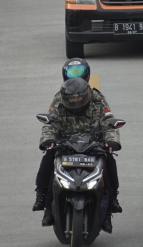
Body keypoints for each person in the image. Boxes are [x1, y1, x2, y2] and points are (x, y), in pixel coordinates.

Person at [33, 59, 122, 215]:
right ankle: (42, 197)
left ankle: (113, 198)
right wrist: (48, 139)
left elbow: (108, 121)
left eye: (78, 99)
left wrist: (111, 141)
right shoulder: (59, 98)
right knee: (48, 158)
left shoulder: (98, 99)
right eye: (71, 100)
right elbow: (50, 123)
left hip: (93, 145)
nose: (74, 102)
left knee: (109, 160)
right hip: (65, 145)